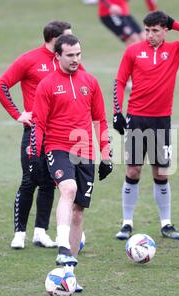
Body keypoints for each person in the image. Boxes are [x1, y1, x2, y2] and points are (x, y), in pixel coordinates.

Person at [112, 11, 179, 240]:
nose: (150, 35)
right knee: (133, 170)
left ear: (165, 30)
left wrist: (175, 23)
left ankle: (166, 224)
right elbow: (120, 80)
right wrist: (117, 111)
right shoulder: (133, 51)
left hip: (162, 120)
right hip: (136, 118)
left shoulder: (174, 50)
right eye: (147, 30)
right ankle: (126, 223)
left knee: (161, 173)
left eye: (155, 30)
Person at [30, 34, 112, 277]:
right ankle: (63, 246)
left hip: (84, 151)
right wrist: (36, 155)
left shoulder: (90, 81)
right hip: (58, 147)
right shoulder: (46, 85)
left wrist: (106, 154)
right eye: (70, 55)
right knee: (68, 189)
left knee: (78, 212)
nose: (76, 59)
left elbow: (100, 119)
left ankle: (69, 273)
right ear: (57, 56)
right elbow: (39, 123)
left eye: (78, 54)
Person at [0, 21, 74, 250]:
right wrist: (18, 114)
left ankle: (40, 232)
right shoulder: (30, 60)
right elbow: (1, 85)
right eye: (68, 37)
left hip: (58, 132)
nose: (72, 41)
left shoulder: (65, 61)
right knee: (29, 180)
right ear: (55, 39)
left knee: (49, 182)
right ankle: (19, 233)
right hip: (34, 130)